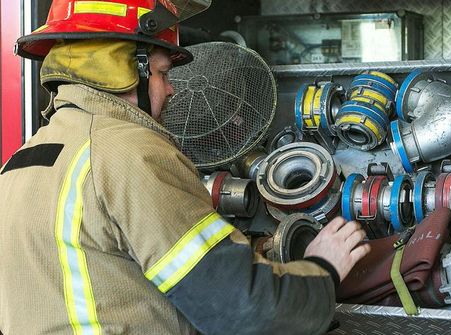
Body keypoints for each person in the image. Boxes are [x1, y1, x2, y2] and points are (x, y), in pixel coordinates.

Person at [0, 1, 370, 334]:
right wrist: (323, 269)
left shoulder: (19, 162)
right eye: (163, 74)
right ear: (125, 71)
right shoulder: (130, 152)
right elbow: (242, 309)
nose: (172, 90)